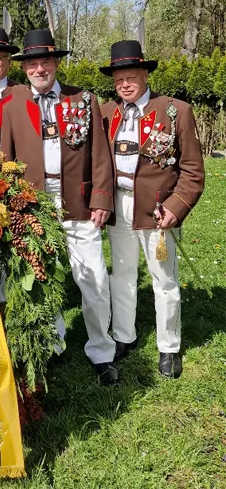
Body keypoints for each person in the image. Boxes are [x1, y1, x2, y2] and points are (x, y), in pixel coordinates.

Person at [0, 29, 118, 385]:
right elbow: (5, 159)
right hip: (34, 208)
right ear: (24, 69)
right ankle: (54, 345)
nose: (39, 68)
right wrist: (10, 207)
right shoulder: (12, 107)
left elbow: (100, 154)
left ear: (56, 63)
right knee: (43, 281)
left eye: (46, 61)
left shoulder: (83, 100)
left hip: (78, 207)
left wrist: (101, 198)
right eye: (33, 63)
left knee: (94, 280)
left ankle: (101, 350)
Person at [99, 40, 205, 379]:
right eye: (118, 79)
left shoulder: (175, 110)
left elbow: (192, 170)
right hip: (119, 205)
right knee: (123, 275)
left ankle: (169, 346)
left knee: (164, 279)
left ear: (145, 74)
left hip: (158, 210)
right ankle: (124, 336)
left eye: (131, 76)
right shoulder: (105, 113)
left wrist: (176, 207)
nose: (125, 84)